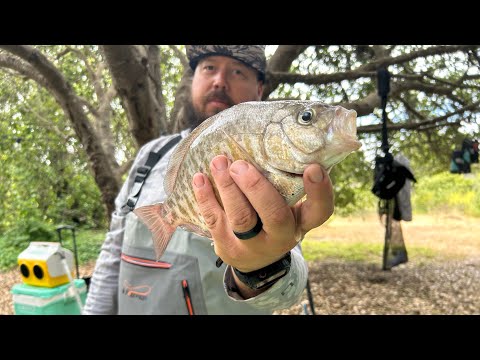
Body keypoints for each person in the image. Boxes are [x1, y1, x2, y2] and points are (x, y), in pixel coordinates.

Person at [83, 45, 334, 315]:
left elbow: (289, 292)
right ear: (194, 80)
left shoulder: (274, 156)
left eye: (238, 71)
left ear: (259, 90)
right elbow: (112, 254)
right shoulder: (149, 156)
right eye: (209, 68)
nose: (220, 81)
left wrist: (260, 268)